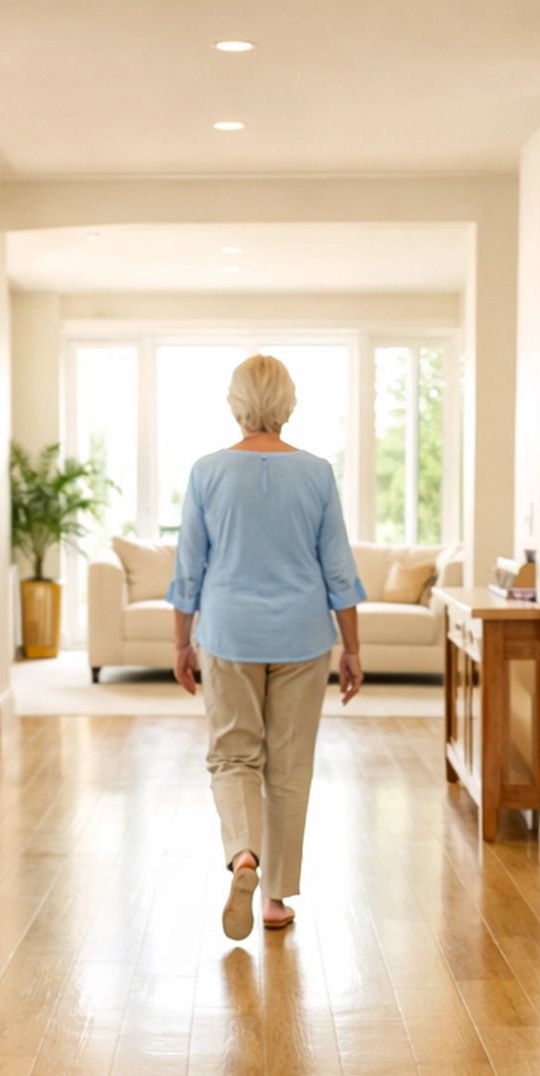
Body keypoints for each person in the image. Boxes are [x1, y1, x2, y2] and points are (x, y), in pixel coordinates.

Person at [166, 354, 365, 940]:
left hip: (227, 633)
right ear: (288, 404)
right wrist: (352, 648)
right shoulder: (318, 473)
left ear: (235, 403)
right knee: (289, 765)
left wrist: (181, 640)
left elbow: (188, 569)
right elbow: (340, 571)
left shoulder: (206, 472)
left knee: (233, 757)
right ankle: (275, 899)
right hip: (304, 636)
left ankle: (243, 858)